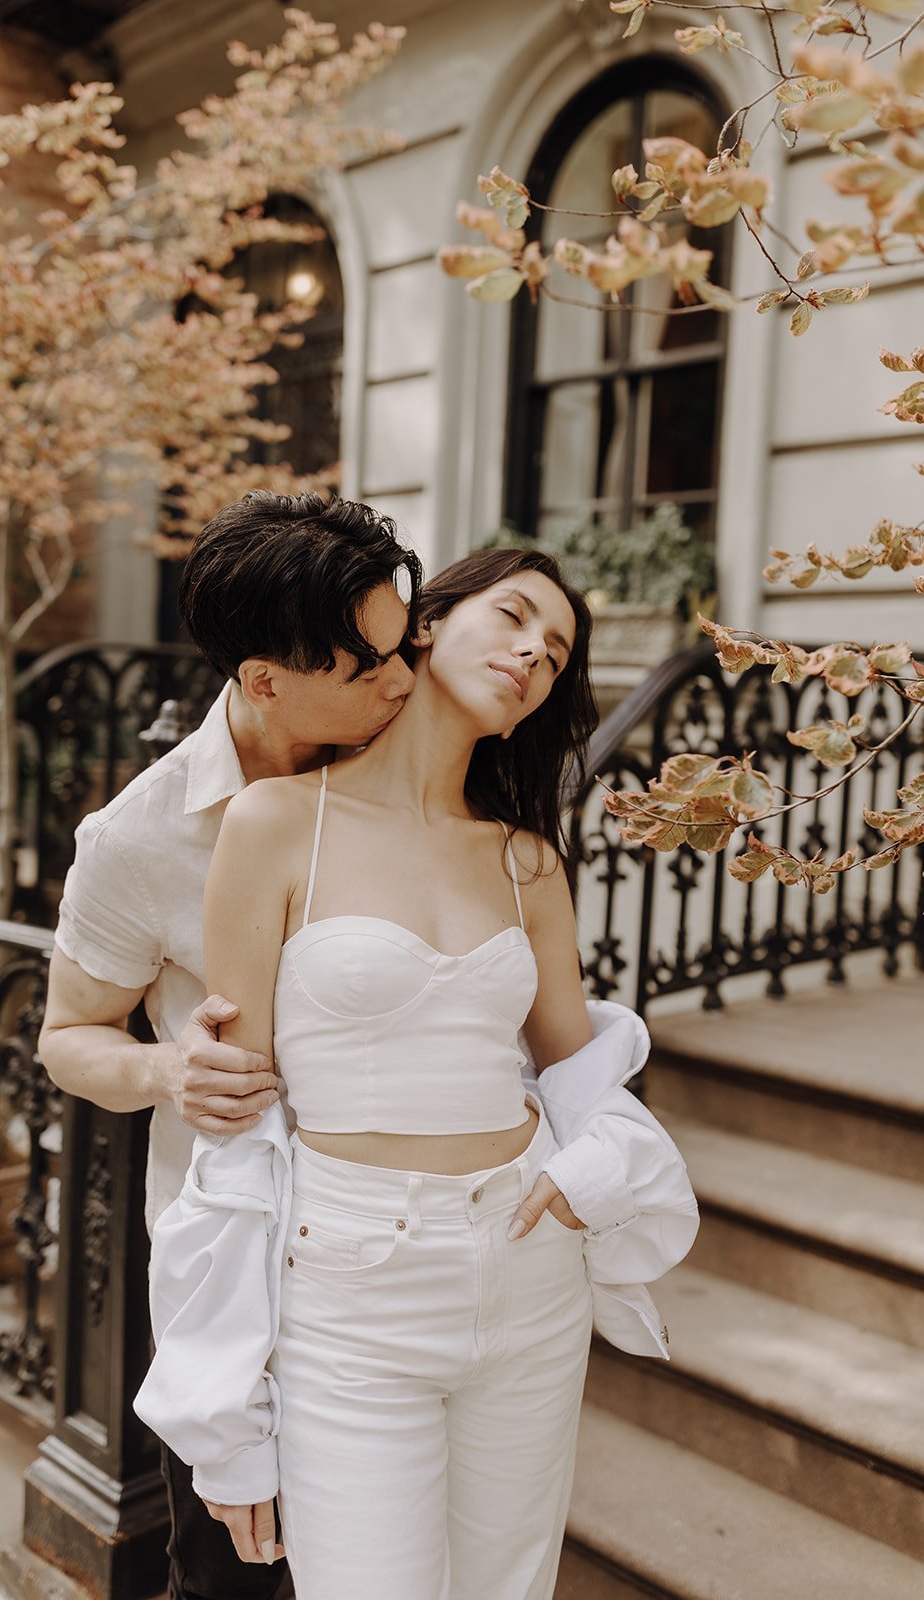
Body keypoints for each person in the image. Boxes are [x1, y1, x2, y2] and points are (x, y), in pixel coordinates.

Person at [135, 548, 699, 1600]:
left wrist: (601, 1170)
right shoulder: (276, 824)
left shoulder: (523, 858)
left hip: (527, 1268)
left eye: (557, 649)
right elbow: (240, 1129)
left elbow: (582, 1077)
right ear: (427, 625)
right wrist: (226, 1411)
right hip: (350, 1287)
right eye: (516, 615)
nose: (535, 650)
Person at [39, 490, 424, 1600]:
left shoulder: (419, 764)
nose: (402, 682)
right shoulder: (136, 838)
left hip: (405, 1256)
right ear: (262, 678)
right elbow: (69, 1038)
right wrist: (170, 1070)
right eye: (366, 668)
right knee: (231, 1577)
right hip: (241, 1285)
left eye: (405, 648)